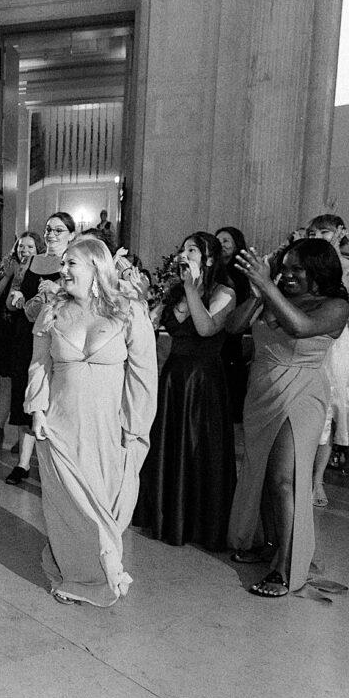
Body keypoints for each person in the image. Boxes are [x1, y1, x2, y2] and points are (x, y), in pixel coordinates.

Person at [26, 238, 156, 606]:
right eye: (62, 264)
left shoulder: (129, 313)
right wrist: (37, 409)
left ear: (97, 268)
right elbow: (40, 364)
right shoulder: (51, 312)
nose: (63, 271)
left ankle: (97, 566)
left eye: (71, 264)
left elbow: (144, 376)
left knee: (101, 501)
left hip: (106, 426)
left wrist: (135, 427)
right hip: (60, 424)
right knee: (69, 507)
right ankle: (90, 574)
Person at [225, 239, 349, 597]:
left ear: (319, 272)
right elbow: (234, 327)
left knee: (284, 478)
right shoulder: (272, 294)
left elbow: (298, 327)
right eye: (286, 267)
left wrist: (268, 286)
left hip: (302, 392)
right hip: (262, 391)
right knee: (263, 472)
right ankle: (270, 543)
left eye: (298, 268)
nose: (289, 274)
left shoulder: (335, 306)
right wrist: (257, 292)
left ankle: (285, 566)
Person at [133, 232, 235, 550]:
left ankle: (199, 522)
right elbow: (152, 324)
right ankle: (166, 516)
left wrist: (192, 288)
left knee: (197, 448)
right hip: (175, 375)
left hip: (204, 381)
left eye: (192, 249)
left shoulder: (224, 291)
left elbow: (206, 327)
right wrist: (143, 296)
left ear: (208, 258)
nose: (184, 253)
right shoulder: (177, 289)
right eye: (183, 248)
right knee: (170, 446)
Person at [304, 214, 349, 507]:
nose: (317, 236)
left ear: (341, 232)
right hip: (304, 338)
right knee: (304, 407)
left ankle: (317, 480)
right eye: (312, 232)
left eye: (324, 232)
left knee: (329, 410)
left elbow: (340, 289)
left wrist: (327, 256)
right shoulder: (301, 264)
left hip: (337, 342)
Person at [7, 211, 75, 484]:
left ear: (71, 234)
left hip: (61, 332)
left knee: (57, 398)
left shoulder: (74, 261)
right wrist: (19, 298)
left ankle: (56, 468)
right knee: (29, 393)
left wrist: (57, 289)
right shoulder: (32, 261)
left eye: (59, 230)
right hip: (28, 333)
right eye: (48, 229)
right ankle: (23, 464)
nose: (51, 234)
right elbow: (17, 297)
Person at [0, 232, 39, 454]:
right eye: (21, 246)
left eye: (30, 247)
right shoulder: (8, 267)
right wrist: (7, 277)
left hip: (27, 335)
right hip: (6, 334)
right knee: (4, 384)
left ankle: (23, 436)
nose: (24, 250)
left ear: (38, 250)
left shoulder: (39, 271)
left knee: (25, 385)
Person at [215, 225, 253, 424]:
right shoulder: (212, 271)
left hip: (233, 330)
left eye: (226, 240)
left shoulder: (241, 273)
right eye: (218, 240)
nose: (221, 244)